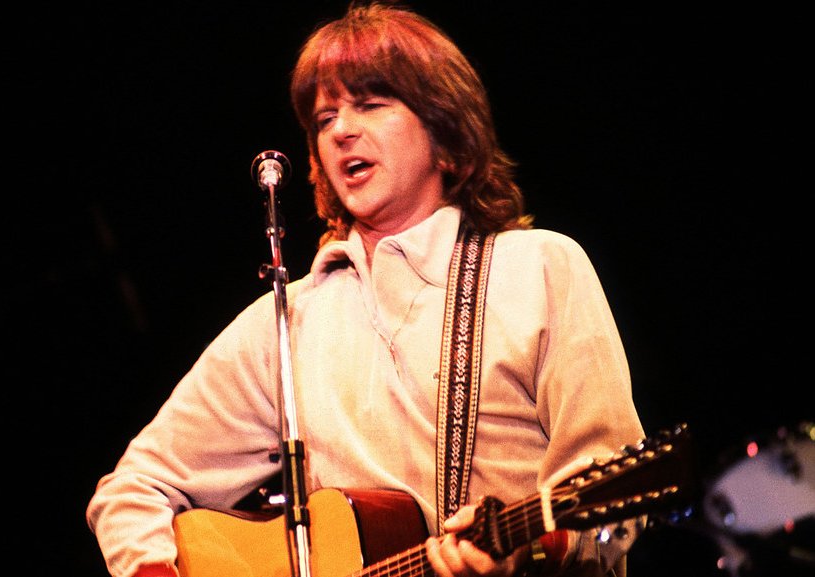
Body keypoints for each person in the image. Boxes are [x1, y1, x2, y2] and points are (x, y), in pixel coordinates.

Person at [86, 2, 647, 577]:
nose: (342, 131)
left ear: (446, 133)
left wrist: (532, 547)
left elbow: (615, 507)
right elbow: (132, 490)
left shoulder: (539, 270)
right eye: (324, 119)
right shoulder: (287, 322)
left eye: (371, 105)